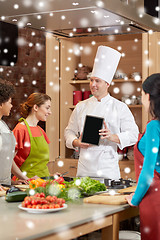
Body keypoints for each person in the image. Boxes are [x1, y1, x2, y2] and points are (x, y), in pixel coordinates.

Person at [65, 46, 139, 180]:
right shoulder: (81, 106)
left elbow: (134, 135)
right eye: (91, 80)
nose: (93, 84)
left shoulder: (120, 107)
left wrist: (112, 136)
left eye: (97, 81)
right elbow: (68, 132)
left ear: (107, 84)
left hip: (108, 171)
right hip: (84, 171)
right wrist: (76, 142)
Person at [126, 73, 160, 240]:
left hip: (154, 197)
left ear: (148, 96)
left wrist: (135, 198)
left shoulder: (154, 126)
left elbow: (148, 169)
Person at [13, 92, 52, 178]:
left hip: (44, 182)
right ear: (36, 107)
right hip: (26, 185)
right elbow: (9, 161)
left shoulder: (41, 131)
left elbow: (40, 164)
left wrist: (51, 176)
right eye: (47, 108)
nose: (50, 112)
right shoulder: (20, 130)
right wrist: (26, 179)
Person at [0, 78, 28, 187]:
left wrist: (15, 181)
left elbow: (7, 159)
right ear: (1, 103)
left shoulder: (3, 125)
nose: (11, 106)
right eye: (10, 102)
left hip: (5, 186)